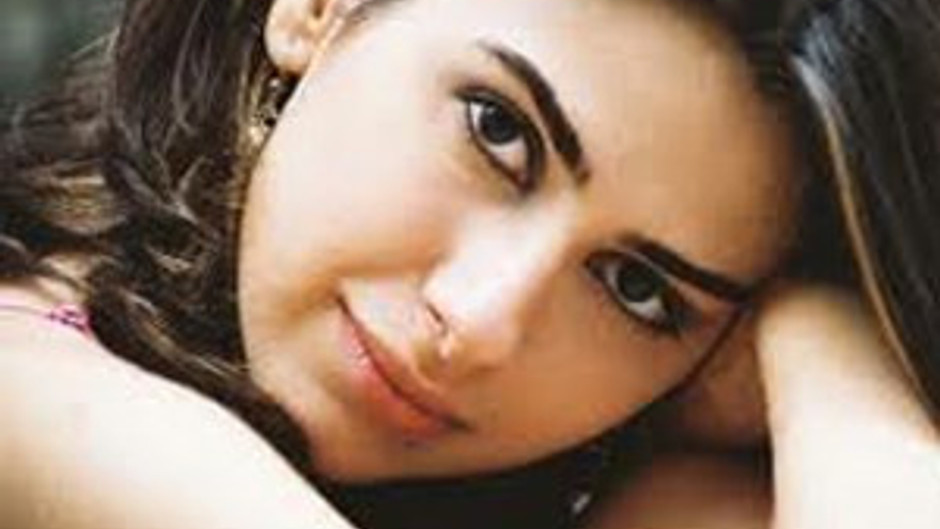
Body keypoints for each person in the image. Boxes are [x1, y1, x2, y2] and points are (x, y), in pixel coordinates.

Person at [0, 1, 936, 529]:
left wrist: (821, 350)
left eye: (636, 288)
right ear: (319, 10)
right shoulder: (33, 380)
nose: (482, 320)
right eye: (498, 131)